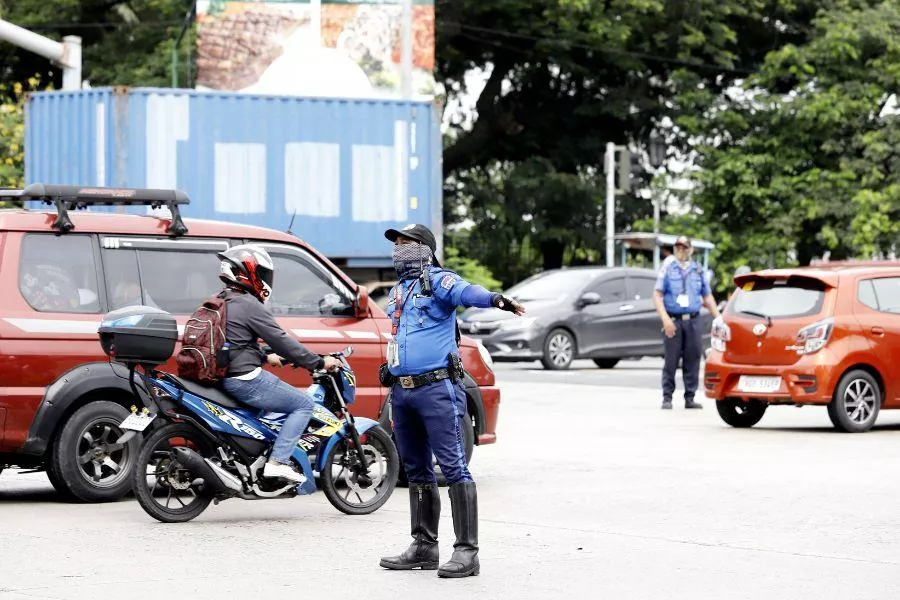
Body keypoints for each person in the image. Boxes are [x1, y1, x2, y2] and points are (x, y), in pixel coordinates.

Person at [378, 224, 525, 579]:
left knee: (454, 466)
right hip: (404, 390)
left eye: (406, 244)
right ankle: (424, 546)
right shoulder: (399, 291)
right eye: (396, 245)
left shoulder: (439, 281)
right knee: (415, 468)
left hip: (437, 389)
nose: (399, 250)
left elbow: (467, 292)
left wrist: (496, 299)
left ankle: (467, 552)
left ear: (425, 249)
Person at [215, 244, 340, 483]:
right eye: (262, 273)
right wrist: (318, 362)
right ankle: (278, 462)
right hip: (244, 379)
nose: (265, 279)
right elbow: (282, 341)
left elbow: (234, 340)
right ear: (249, 272)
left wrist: (263, 356)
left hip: (223, 375)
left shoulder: (221, 300)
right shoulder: (248, 304)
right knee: (303, 404)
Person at [653, 235, 720, 410]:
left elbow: (707, 296)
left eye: (684, 248)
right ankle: (667, 397)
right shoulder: (668, 268)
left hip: (693, 320)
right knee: (671, 360)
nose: (680, 251)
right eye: (678, 248)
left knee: (693, 358)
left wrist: (719, 318)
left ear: (690, 250)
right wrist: (665, 319)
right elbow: (657, 295)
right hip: (673, 320)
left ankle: (690, 397)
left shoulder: (697, 270)